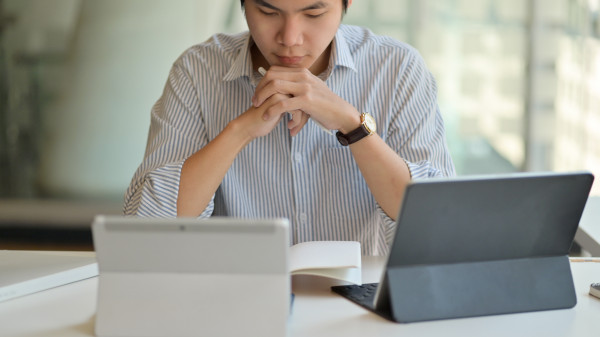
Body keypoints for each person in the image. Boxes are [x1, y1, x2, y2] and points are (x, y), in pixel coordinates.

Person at [124, 0, 455, 255]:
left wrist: (350, 124)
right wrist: (240, 130)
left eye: (313, 13)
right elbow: (145, 228)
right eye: (268, 11)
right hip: (234, 304)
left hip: (360, 307)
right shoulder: (198, 71)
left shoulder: (397, 68)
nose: (290, 38)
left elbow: (439, 224)